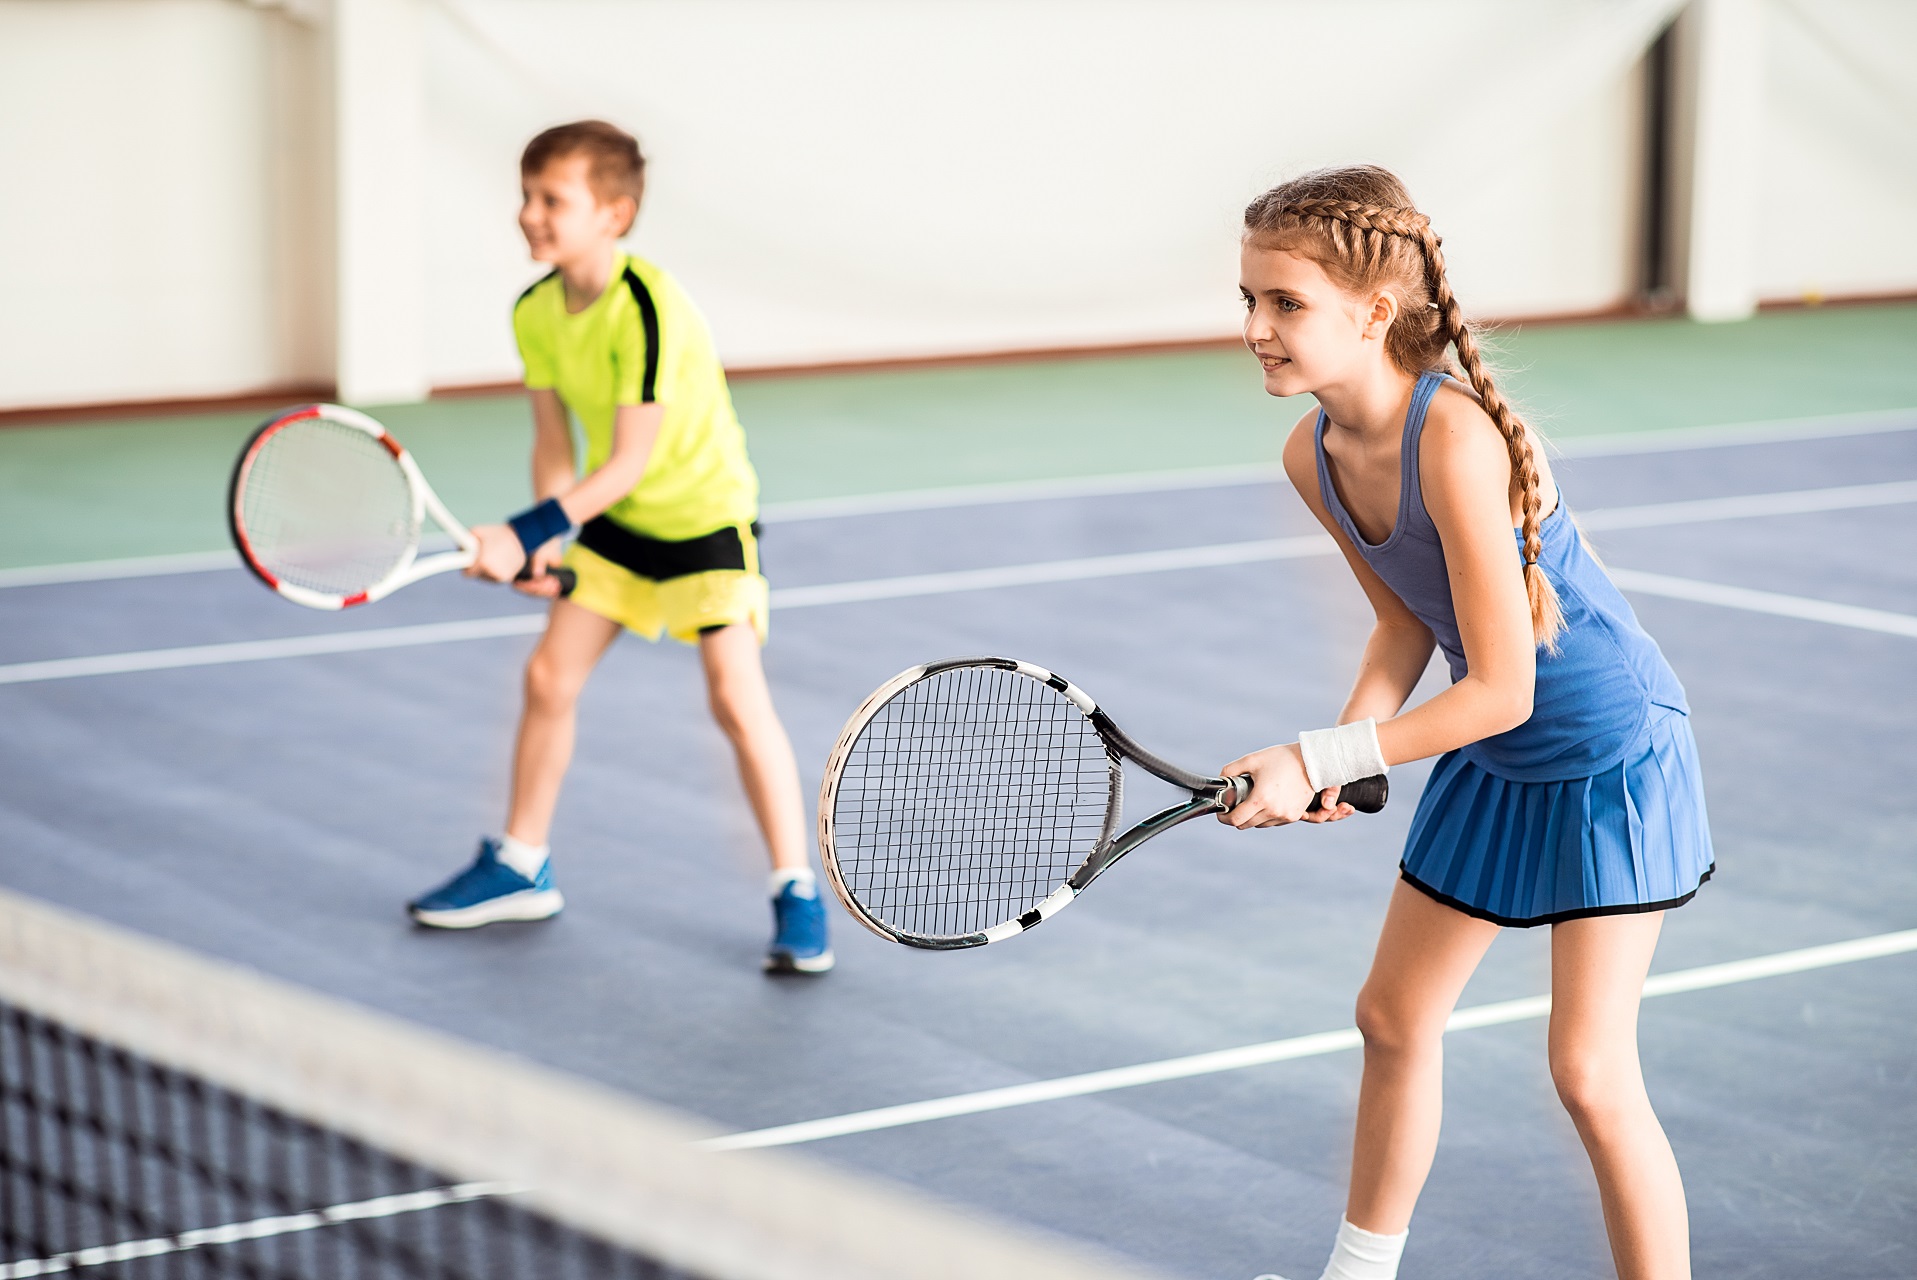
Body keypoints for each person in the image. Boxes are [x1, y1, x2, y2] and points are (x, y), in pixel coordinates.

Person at [1224, 167, 1710, 1280]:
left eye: (1285, 303)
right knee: (1392, 1016)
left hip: (1606, 754)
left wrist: (1320, 756)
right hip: (1494, 761)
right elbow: (1404, 618)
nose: (1255, 328)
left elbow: (1504, 685)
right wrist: (1349, 743)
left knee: (1588, 1069)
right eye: (1247, 298)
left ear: (1372, 312)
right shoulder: (1314, 454)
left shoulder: (1457, 439)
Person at [407, 120, 832, 975]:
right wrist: (543, 537)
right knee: (547, 677)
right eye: (525, 196)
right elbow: (556, 447)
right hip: (614, 523)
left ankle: (797, 890)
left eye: (551, 200)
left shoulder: (647, 306)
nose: (529, 214)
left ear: (614, 213)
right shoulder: (534, 311)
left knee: (733, 697)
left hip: (703, 517)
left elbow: (631, 457)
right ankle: (522, 864)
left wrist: (522, 533)